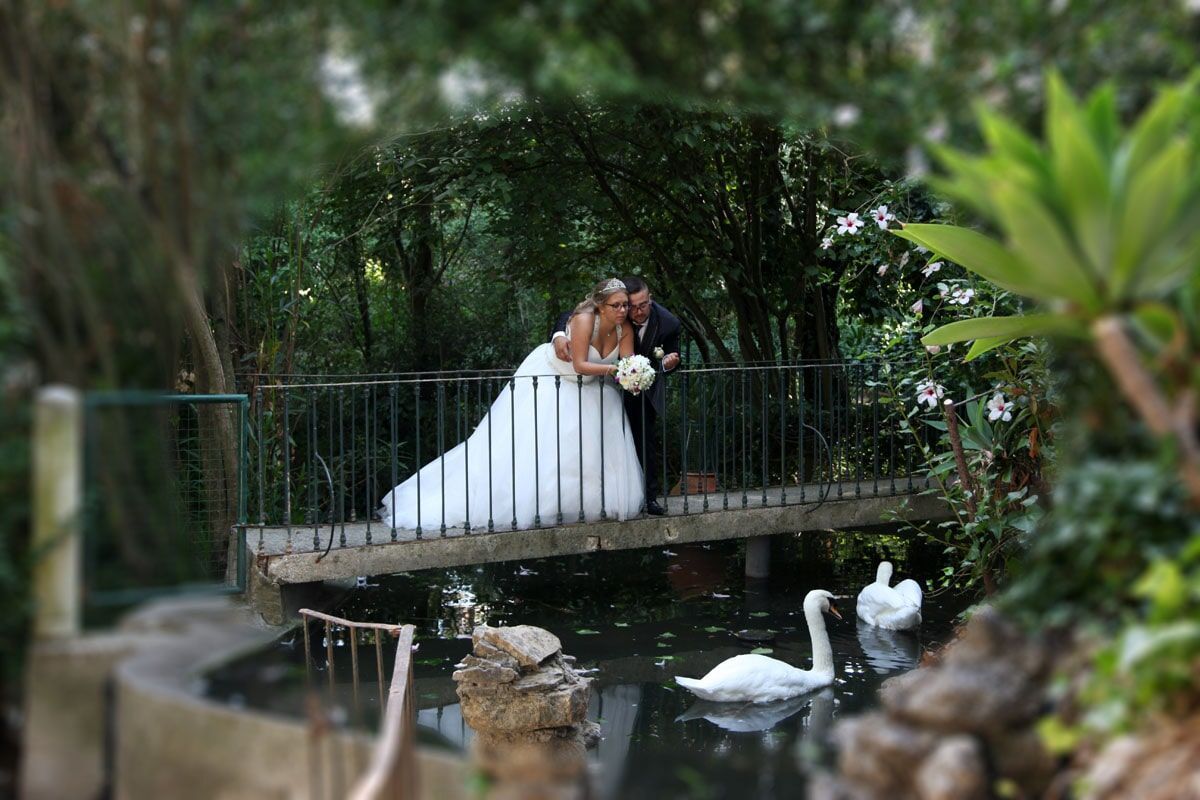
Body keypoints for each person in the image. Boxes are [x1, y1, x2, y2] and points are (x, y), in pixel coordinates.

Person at [379, 279, 643, 531]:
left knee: (585, 447)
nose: (622, 310)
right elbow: (580, 364)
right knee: (537, 445)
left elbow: (628, 362)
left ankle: (579, 504)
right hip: (553, 379)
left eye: (625, 305)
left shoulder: (625, 329)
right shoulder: (585, 320)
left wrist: (633, 375)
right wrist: (614, 370)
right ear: (600, 306)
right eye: (616, 305)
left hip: (591, 387)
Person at [552, 276, 681, 515]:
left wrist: (659, 366)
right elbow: (571, 316)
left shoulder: (667, 323)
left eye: (642, 305)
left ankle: (648, 498)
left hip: (633, 387)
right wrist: (559, 334)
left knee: (640, 439)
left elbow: (654, 358)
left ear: (650, 299)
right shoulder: (606, 311)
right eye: (629, 306)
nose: (633, 311)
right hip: (578, 381)